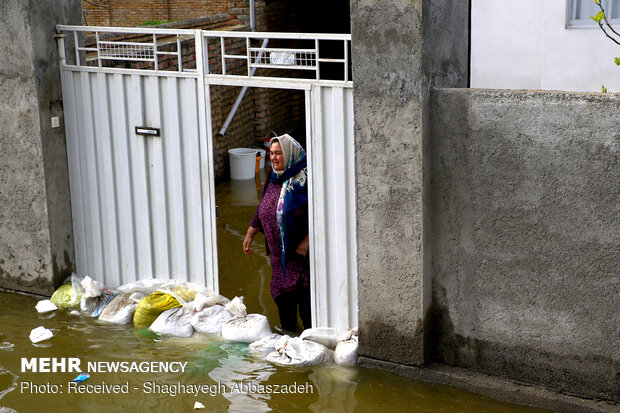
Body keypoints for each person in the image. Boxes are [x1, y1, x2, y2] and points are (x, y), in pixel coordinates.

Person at [242, 134, 311, 333]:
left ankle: (310, 345)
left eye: (278, 153)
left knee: (307, 310)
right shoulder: (273, 178)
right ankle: (290, 351)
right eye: (271, 153)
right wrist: (250, 231)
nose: (273, 157)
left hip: (301, 260)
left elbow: (322, 214)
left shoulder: (305, 181)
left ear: (289, 154)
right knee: (284, 305)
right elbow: (263, 206)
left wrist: (308, 240)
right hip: (279, 259)